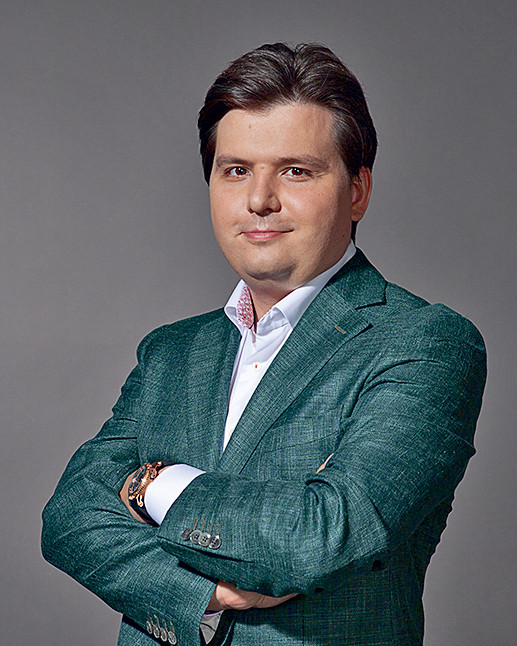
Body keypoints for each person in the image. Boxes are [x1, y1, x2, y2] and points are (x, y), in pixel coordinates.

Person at [41, 43, 487, 646]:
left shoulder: (423, 342)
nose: (259, 200)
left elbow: (317, 538)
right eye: (236, 170)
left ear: (358, 190)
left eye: (295, 171)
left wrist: (152, 484)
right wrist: (203, 595)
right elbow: (69, 517)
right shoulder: (171, 353)